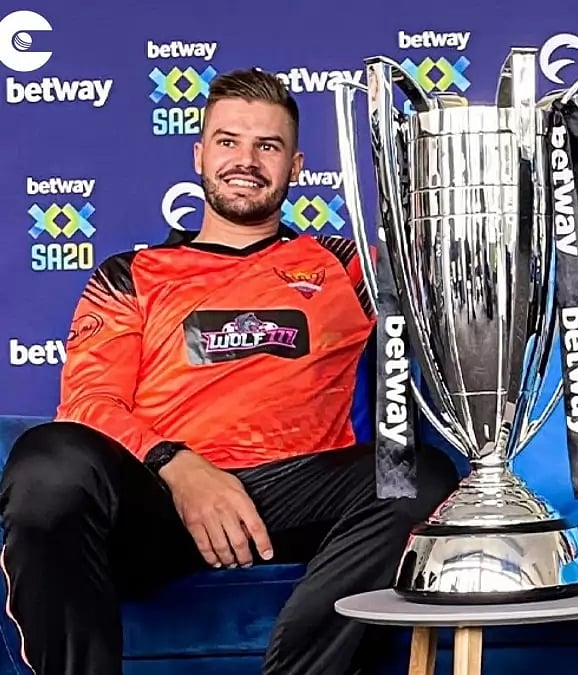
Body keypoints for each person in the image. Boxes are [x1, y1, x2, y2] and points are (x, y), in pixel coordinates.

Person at [0, 68, 460, 675]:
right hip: (161, 500)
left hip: (294, 497)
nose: (246, 160)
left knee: (415, 474)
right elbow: (90, 404)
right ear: (199, 155)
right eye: (228, 141)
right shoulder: (132, 274)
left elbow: (454, 270)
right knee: (48, 461)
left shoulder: (343, 265)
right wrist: (180, 467)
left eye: (267, 146)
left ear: (295, 166)